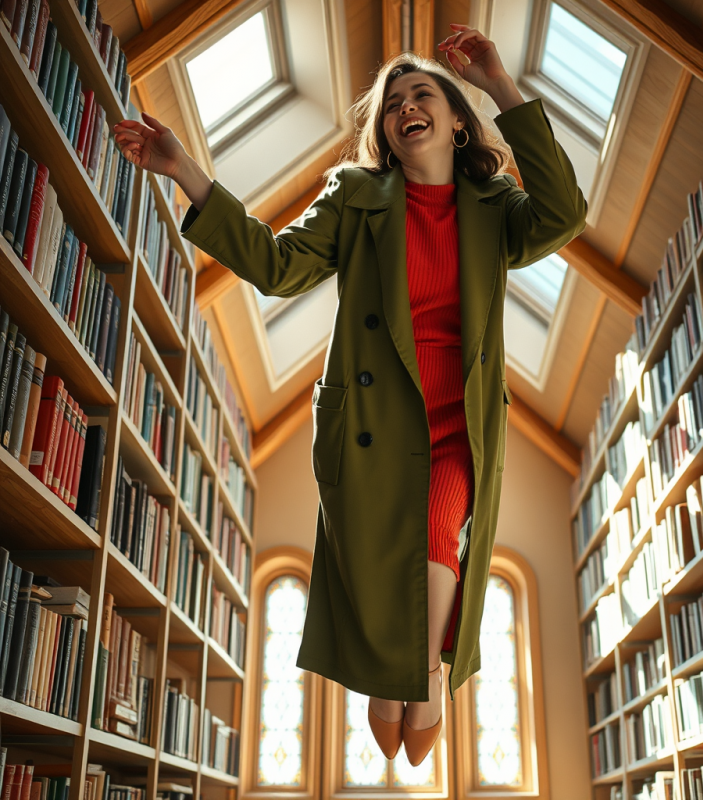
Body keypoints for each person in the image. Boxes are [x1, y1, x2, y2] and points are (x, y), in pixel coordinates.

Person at [113, 22, 587, 768]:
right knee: (373, 555)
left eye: (422, 94)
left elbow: (564, 214)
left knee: (440, 530)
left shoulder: (496, 210)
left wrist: (500, 83)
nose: (405, 107)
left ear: (457, 121)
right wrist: (185, 171)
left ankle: (421, 670)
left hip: (456, 421)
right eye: (392, 103)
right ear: (388, 133)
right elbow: (275, 265)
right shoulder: (355, 197)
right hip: (372, 416)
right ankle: (392, 669)